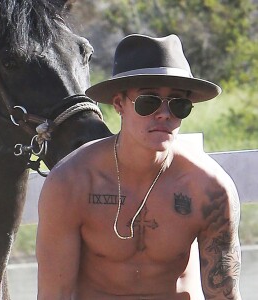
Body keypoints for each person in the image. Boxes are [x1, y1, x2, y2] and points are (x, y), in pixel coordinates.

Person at [36, 34, 242, 300]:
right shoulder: (71, 182)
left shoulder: (210, 189)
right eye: (149, 101)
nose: (164, 114)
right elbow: (55, 294)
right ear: (120, 104)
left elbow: (224, 295)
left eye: (179, 104)